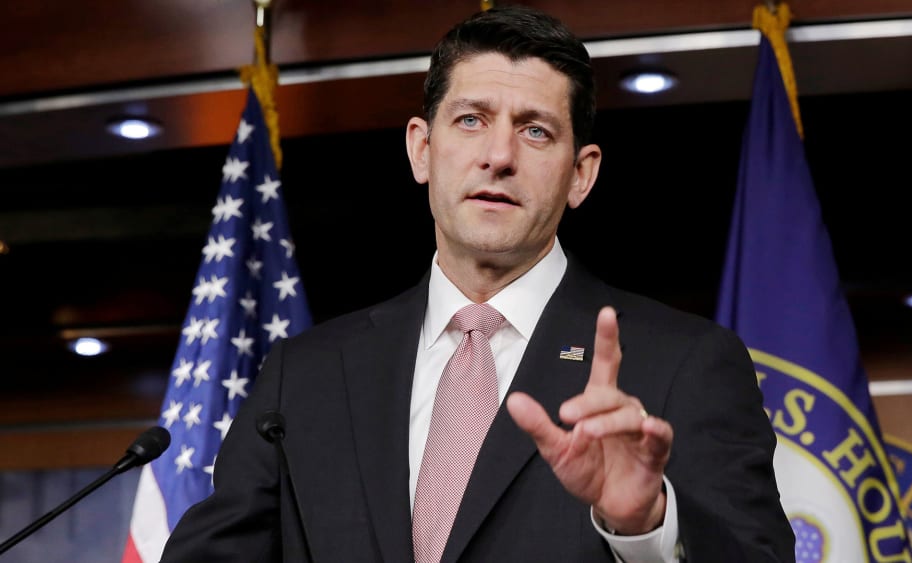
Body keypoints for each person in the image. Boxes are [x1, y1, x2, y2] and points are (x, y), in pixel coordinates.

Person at [160, 5, 794, 562]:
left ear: (581, 175)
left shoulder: (685, 364)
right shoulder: (304, 376)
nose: (500, 155)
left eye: (536, 130)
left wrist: (648, 525)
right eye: (471, 120)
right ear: (421, 149)